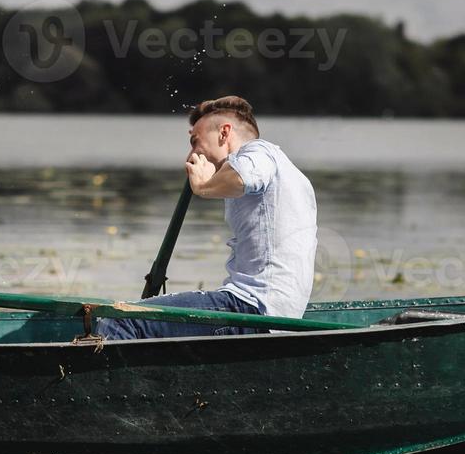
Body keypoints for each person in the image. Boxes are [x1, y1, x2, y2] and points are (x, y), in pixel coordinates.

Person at [99, 96, 317, 340]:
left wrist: (202, 186)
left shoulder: (260, 151)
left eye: (196, 141)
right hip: (271, 309)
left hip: (253, 307)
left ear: (224, 133)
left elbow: (242, 178)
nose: (191, 154)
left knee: (120, 321)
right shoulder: (289, 173)